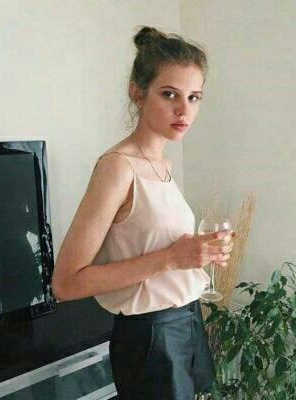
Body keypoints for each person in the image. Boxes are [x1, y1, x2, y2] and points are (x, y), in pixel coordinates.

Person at [51, 25, 236, 400]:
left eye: (194, 97)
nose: (184, 110)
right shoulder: (118, 167)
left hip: (187, 321)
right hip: (151, 336)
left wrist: (197, 251)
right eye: (170, 94)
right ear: (137, 92)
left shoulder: (162, 164)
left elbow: (150, 242)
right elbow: (66, 283)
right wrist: (172, 257)